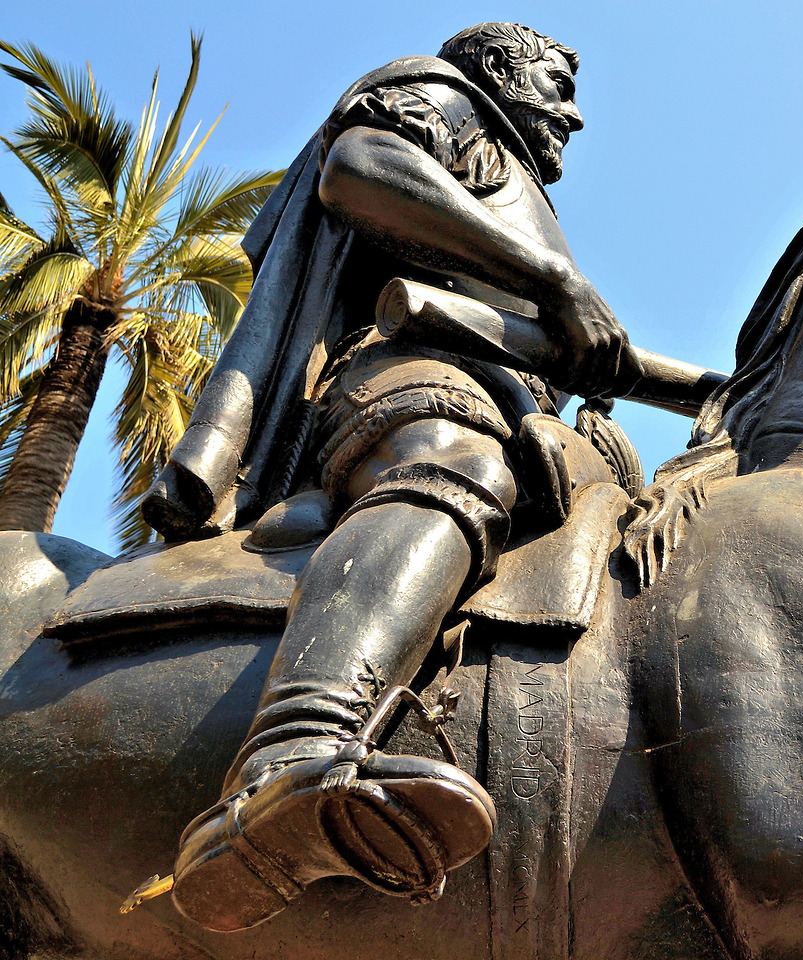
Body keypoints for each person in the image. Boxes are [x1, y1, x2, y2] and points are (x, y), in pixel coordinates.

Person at [143, 22, 633, 932]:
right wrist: (554, 277)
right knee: (457, 460)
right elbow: (358, 168)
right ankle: (286, 761)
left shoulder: (517, 191)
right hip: (414, 379)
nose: (571, 112)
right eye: (555, 83)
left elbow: (604, 354)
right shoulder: (450, 101)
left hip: (522, 395)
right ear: (497, 71)